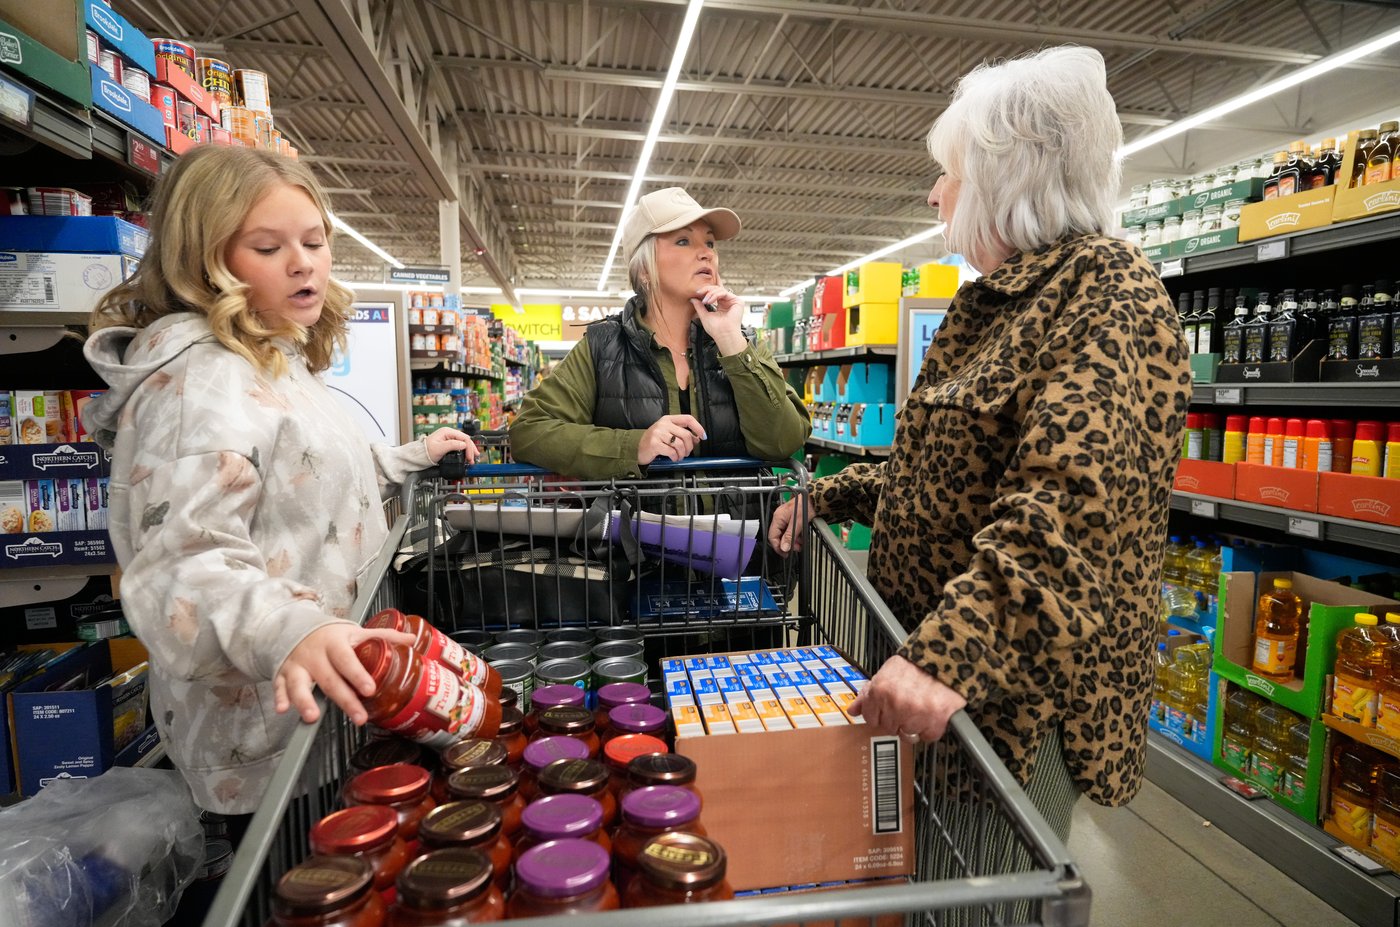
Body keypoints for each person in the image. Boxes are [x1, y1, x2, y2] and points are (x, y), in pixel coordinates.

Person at [770, 46, 1191, 836]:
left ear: (1007, 177)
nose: (935, 195)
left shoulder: (1110, 293)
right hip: (956, 701)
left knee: (984, 905)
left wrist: (942, 657)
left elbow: (1068, 510)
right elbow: (944, 470)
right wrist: (831, 492)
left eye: (950, 173)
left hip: (1012, 711)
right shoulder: (996, 301)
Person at [83, 146, 478, 819]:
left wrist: (406, 458)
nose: (304, 262)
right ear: (202, 260)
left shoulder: (272, 357)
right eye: (268, 246)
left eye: (315, 240)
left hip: (323, 715)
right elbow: (183, 564)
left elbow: (304, 485)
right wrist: (290, 628)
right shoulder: (203, 382)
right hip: (262, 746)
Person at [509, 187, 810, 478]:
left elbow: (782, 443)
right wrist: (633, 446)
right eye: (683, 241)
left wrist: (731, 341)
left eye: (710, 243)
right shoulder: (604, 348)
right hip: (635, 529)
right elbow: (528, 431)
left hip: (741, 528)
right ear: (644, 268)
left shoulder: (743, 344)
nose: (706, 253)